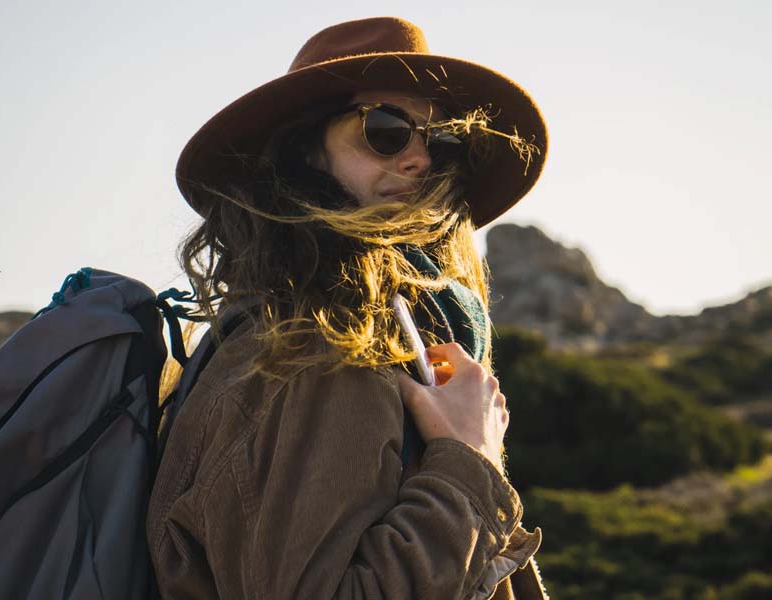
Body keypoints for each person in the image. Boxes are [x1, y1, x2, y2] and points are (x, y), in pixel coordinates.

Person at [147, 16, 549, 600]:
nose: (419, 159)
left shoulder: (364, 337)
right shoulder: (314, 348)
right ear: (305, 152)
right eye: (385, 129)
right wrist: (468, 462)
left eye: (441, 141)